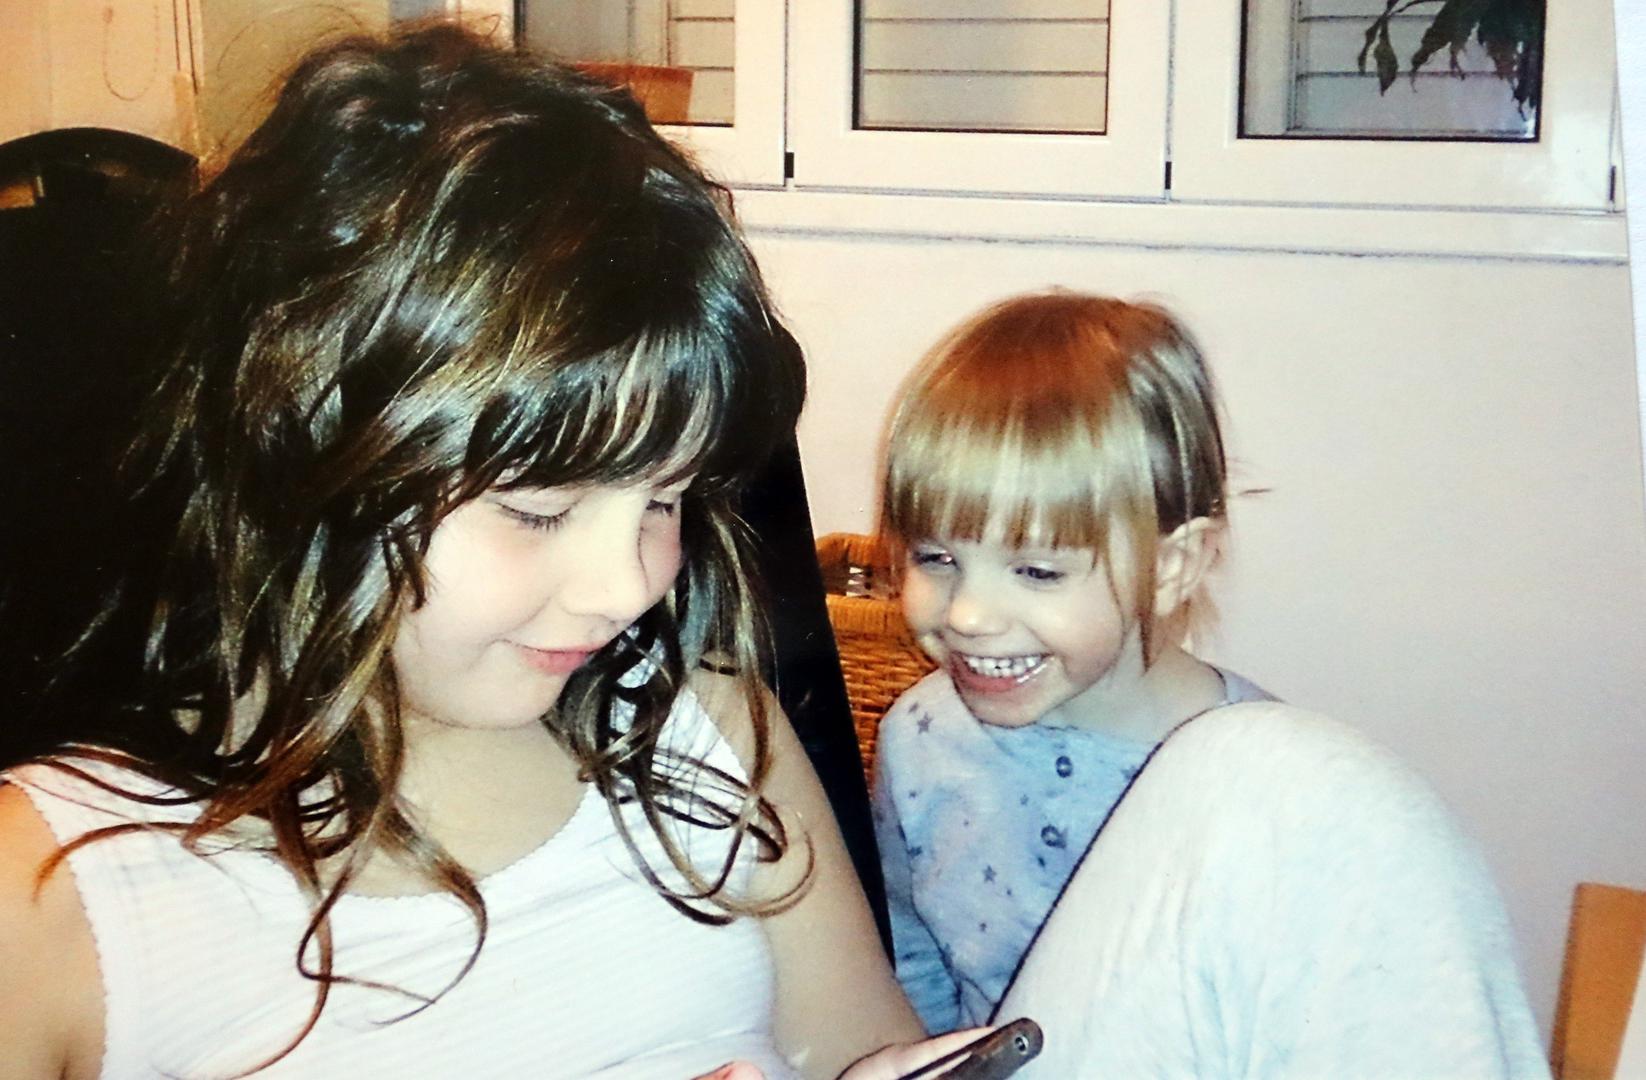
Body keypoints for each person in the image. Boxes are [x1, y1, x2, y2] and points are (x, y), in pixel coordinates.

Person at [0, 24, 978, 1080]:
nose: (628, 588)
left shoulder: (707, 738)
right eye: (539, 510)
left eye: (666, 499)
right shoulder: (53, 895)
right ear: (300, 453)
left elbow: (864, 1046)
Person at [871, 292, 1548, 1076]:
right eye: (935, 558)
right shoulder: (918, 737)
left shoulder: (1260, 805)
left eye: (1036, 571)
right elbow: (908, 954)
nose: (968, 614)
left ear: (1174, 566)